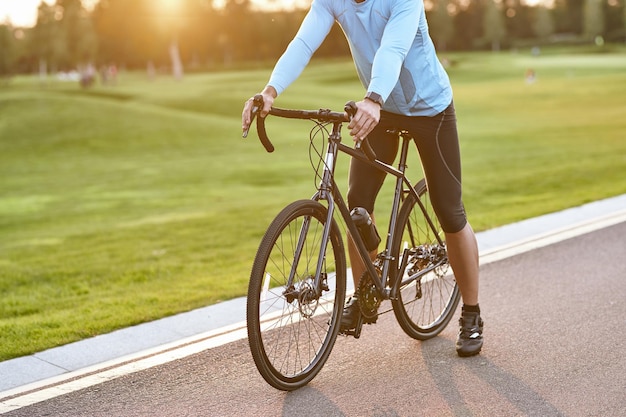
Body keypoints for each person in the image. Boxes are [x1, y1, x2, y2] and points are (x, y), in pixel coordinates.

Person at [241, 0, 483, 357]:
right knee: (358, 206)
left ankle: (472, 313)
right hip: (379, 109)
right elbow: (304, 42)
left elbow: (393, 49)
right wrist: (270, 91)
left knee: (449, 211)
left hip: (428, 108)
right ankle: (365, 292)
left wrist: (372, 97)